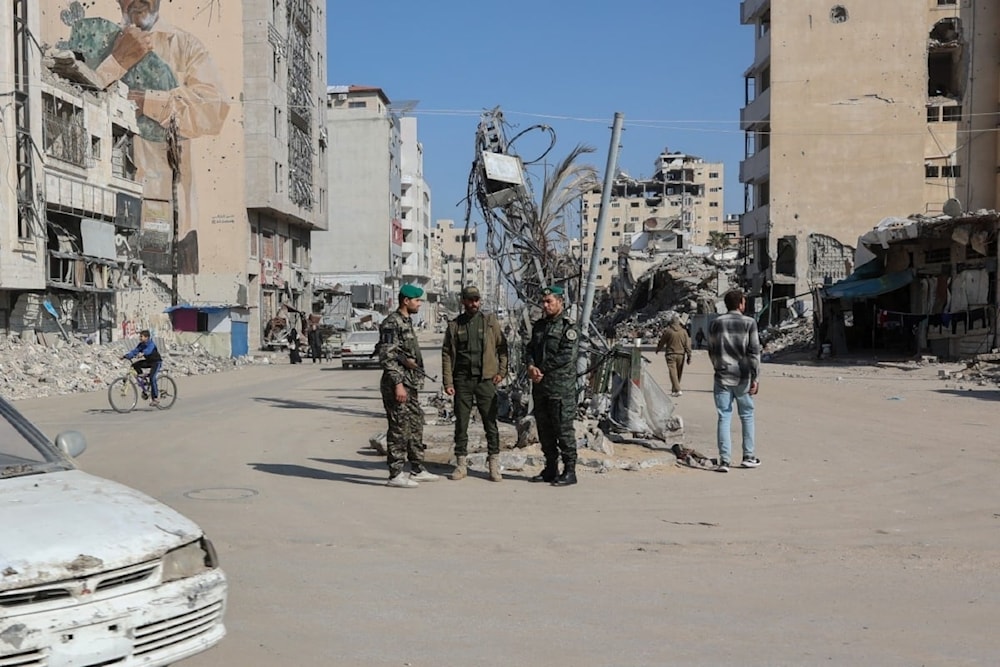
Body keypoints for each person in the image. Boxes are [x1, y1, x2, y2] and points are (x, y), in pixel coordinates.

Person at [68, 0, 231, 274]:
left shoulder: (184, 45)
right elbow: (77, 102)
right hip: (103, 211)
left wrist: (144, 101)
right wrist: (116, 62)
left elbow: (214, 109)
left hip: (169, 217)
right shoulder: (95, 41)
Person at [441, 286, 509, 482]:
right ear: (463, 301)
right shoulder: (455, 326)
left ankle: (494, 464)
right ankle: (461, 464)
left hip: (485, 380)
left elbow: (502, 348)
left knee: (490, 423)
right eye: (470, 300)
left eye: (476, 300)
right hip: (462, 380)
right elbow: (446, 354)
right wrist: (448, 381)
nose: (474, 303)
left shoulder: (489, 322)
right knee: (461, 424)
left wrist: (501, 372)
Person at [378, 284, 440, 488]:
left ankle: (417, 468)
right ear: (406, 301)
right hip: (398, 384)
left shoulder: (406, 321)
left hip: (409, 382)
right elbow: (387, 357)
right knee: (399, 427)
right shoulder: (391, 323)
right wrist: (398, 385)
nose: (420, 304)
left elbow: (402, 352)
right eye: (417, 300)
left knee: (415, 422)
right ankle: (395, 474)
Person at [525, 285, 580, 486]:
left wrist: (541, 369)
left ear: (560, 302)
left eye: (549, 301)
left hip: (560, 389)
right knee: (544, 429)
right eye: (544, 302)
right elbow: (529, 348)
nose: (545, 305)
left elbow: (566, 355)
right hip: (541, 388)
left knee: (563, 429)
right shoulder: (539, 326)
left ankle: (570, 470)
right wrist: (531, 366)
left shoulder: (568, 327)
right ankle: (550, 468)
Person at [707, 289, 762, 473]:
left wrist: (718, 367)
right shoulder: (749, 323)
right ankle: (748, 456)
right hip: (743, 376)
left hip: (722, 375)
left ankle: (724, 460)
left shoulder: (716, 323)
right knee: (746, 416)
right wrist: (756, 378)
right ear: (740, 304)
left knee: (724, 416)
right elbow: (754, 353)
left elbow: (712, 350)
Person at [123, 329, 162, 406]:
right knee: (134, 365)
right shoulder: (141, 345)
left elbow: (148, 350)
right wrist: (126, 356)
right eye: (140, 336)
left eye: (141, 336)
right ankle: (143, 380)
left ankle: (156, 398)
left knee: (152, 377)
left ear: (146, 337)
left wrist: (143, 353)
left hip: (156, 362)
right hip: (148, 362)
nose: (140, 338)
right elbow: (135, 351)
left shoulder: (151, 344)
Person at [656, 313, 692, 397]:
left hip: (670, 354)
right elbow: (687, 345)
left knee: (673, 372)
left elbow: (662, 341)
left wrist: (658, 349)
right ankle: (675, 389)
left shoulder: (668, 331)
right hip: (681, 355)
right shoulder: (684, 332)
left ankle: (677, 389)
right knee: (678, 373)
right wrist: (689, 356)